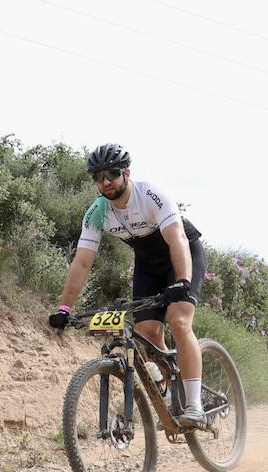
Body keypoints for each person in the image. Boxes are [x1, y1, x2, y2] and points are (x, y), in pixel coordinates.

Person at [48, 143, 209, 428]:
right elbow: (82, 262)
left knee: (179, 320)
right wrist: (64, 306)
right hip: (148, 263)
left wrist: (182, 281)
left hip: (182, 253)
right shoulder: (97, 213)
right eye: (98, 177)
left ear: (126, 173)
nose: (105, 181)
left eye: (111, 173)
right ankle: (169, 389)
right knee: (145, 333)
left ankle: (195, 404)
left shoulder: (149, 195)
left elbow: (177, 239)